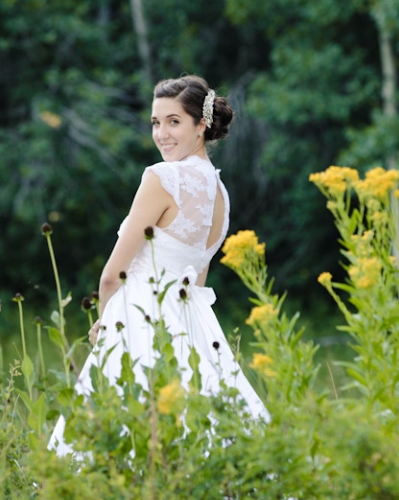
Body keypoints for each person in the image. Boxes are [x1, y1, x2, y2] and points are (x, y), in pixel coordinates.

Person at [49, 75, 267, 456]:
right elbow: (198, 279)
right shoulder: (220, 194)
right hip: (194, 329)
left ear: (201, 125)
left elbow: (111, 275)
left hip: (139, 321)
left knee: (118, 440)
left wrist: (106, 324)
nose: (162, 133)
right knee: (198, 433)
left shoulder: (162, 177)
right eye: (155, 122)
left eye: (174, 122)